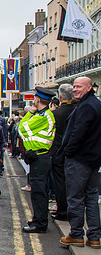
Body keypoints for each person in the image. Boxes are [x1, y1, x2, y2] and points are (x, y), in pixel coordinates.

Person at [58, 76, 101, 249]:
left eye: (79, 87)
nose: (75, 89)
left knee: (75, 197)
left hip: (80, 159)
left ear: (89, 87)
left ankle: (76, 234)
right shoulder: (94, 104)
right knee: (91, 197)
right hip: (92, 159)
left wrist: (68, 152)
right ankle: (94, 237)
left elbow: (78, 133)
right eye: (74, 87)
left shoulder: (87, 107)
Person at [18, 86, 56, 234]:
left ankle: (40, 223)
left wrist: (29, 113)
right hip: (37, 157)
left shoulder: (42, 116)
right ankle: (38, 220)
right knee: (38, 191)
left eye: (35, 97)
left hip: (40, 157)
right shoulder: (42, 115)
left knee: (39, 192)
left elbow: (21, 129)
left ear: (38, 99)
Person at [50, 84, 76, 222]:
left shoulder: (55, 114)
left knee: (60, 182)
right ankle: (72, 210)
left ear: (60, 97)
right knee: (74, 183)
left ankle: (62, 210)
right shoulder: (77, 111)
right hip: (74, 152)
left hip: (58, 152)